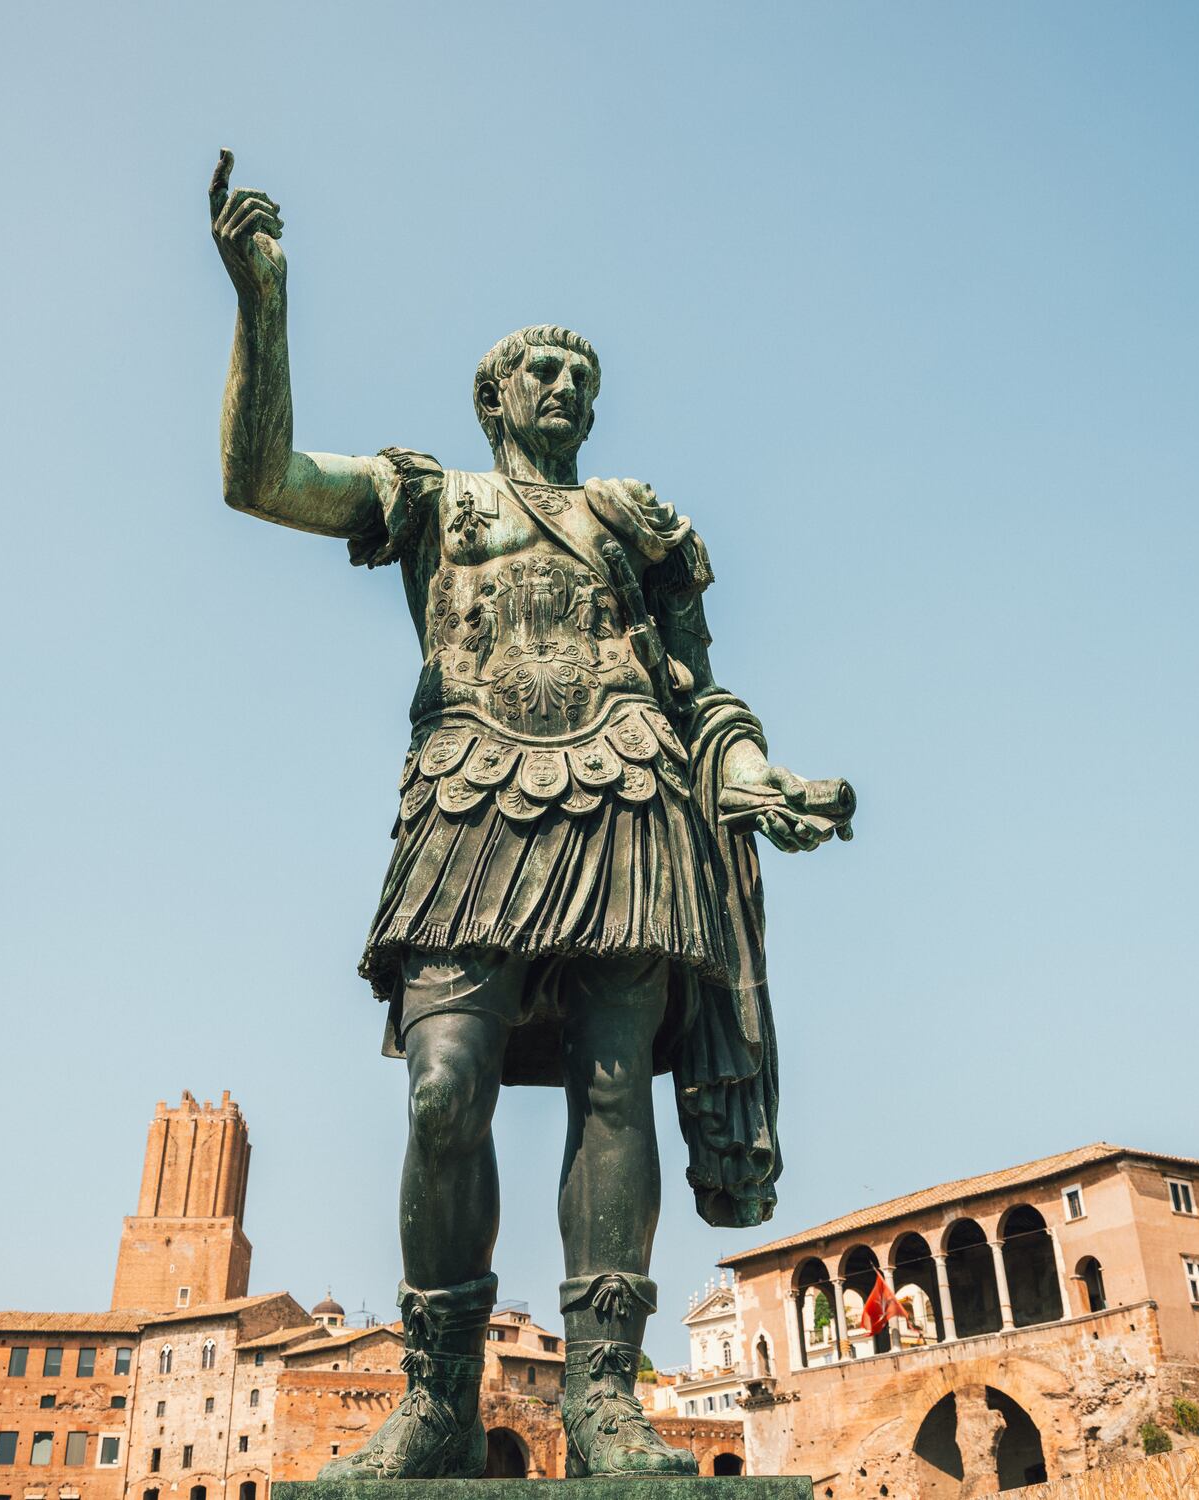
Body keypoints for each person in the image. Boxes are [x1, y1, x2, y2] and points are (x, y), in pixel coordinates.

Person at [208, 150, 854, 1479]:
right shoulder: (433, 500)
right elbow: (258, 478)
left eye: (584, 378)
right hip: (467, 799)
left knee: (617, 1089)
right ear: (494, 395)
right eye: (541, 371)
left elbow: (699, 697)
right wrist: (261, 305)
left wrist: (758, 781)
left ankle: (607, 1398)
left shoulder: (637, 526)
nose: (566, 388)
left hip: (624, 796)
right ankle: (440, 1397)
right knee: (447, 1089)